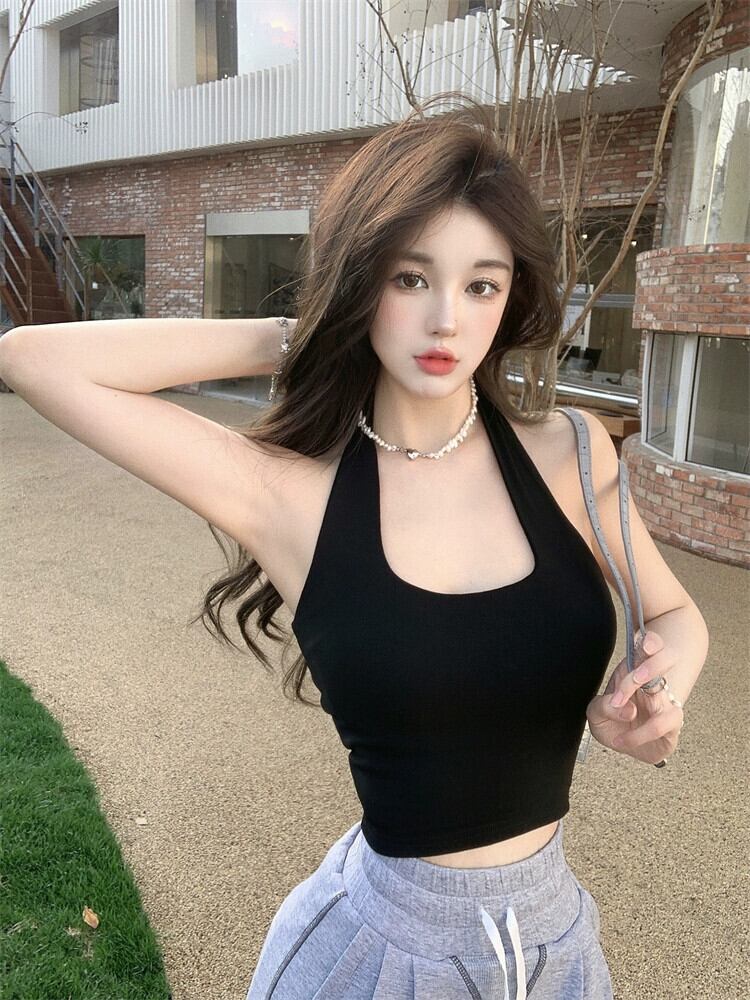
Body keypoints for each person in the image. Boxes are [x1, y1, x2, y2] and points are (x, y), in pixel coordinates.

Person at [0, 95, 708, 1000]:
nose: (446, 319)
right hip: (380, 959)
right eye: (410, 278)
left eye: (481, 285)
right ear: (361, 280)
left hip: (558, 949)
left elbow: (675, 615)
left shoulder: (570, 454)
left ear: (510, 299)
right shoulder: (289, 495)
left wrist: (659, 695)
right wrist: (306, 332)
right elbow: (35, 360)